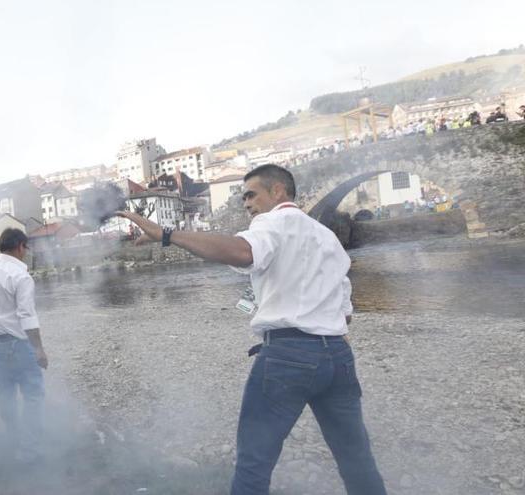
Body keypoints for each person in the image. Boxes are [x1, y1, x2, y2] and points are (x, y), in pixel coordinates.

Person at [118, 164, 386, 495]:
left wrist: (168, 235)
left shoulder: (271, 222)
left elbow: (243, 251)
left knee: (254, 463)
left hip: (288, 356)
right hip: (338, 358)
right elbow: (344, 312)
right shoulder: (326, 236)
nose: (246, 203)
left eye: (251, 194)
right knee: (356, 458)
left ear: (278, 192)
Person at [0, 228, 48, 464]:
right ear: (21, 246)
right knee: (33, 395)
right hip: (16, 345)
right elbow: (27, 317)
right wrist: (39, 349)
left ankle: (12, 440)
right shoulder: (21, 277)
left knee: (6, 391)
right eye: (26, 248)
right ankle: (29, 451)